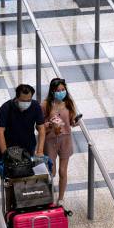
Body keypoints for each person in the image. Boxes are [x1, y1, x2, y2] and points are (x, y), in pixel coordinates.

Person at [41, 78, 78, 206]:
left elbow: (72, 121)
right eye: (58, 90)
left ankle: (61, 198)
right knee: (52, 171)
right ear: (52, 91)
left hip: (65, 139)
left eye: (63, 90)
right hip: (50, 140)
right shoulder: (46, 105)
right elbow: (39, 125)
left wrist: (75, 121)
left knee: (63, 171)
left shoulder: (68, 103)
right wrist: (49, 124)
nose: (61, 92)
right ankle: (48, 196)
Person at [0, 84, 46, 158]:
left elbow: (41, 128)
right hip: (10, 148)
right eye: (23, 101)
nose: (26, 103)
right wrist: (5, 155)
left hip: (28, 147)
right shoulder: (6, 108)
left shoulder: (35, 106)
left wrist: (40, 151)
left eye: (29, 100)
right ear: (17, 98)